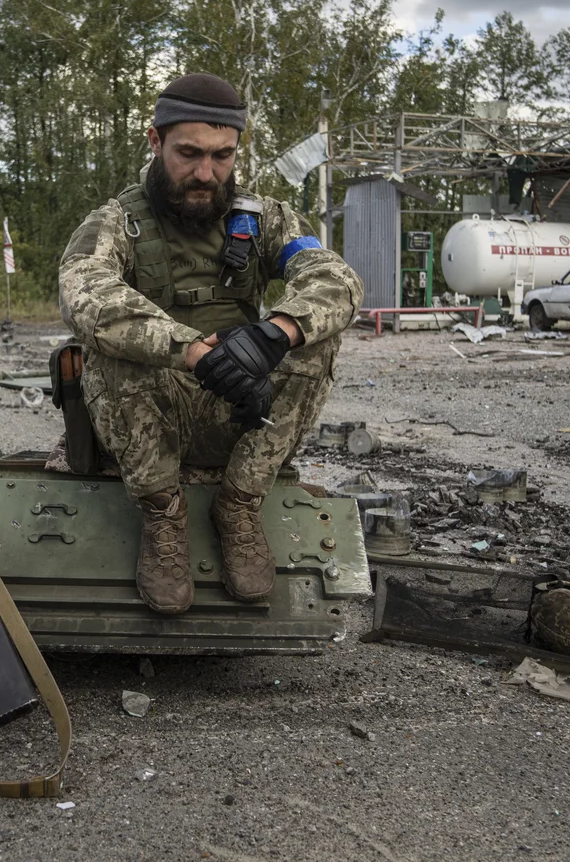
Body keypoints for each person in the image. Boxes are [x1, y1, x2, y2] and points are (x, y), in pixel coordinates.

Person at [58, 72, 363, 615]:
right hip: (149, 420)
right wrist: (196, 353)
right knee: (111, 338)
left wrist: (276, 333)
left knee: (317, 334)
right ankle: (163, 514)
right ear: (155, 142)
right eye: (189, 153)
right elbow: (86, 293)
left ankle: (240, 504)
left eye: (222, 156)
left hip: (239, 417)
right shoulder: (116, 223)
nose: (205, 173)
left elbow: (334, 279)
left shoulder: (263, 220)